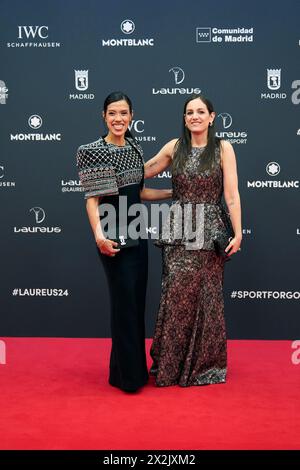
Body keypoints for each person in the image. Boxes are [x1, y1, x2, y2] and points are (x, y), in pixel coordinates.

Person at [144, 94, 242, 387]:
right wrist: (111, 163)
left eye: (201, 111)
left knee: (207, 298)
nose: (195, 116)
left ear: (212, 117)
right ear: (184, 118)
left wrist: (238, 233)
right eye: (189, 112)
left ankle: (203, 366)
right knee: (176, 296)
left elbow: (232, 195)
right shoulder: (174, 147)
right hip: (179, 229)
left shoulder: (223, 148)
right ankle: (171, 366)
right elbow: (142, 174)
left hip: (210, 231)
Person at [76, 91, 171, 393]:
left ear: (132, 116)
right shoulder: (93, 151)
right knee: (123, 305)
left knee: (135, 304)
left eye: (124, 113)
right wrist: (100, 239)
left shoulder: (134, 147)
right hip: (112, 237)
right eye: (113, 113)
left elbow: (140, 193)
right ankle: (129, 378)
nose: (119, 119)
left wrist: (174, 192)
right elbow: (93, 201)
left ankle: (126, 371)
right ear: (103, 116)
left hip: (137, 234)